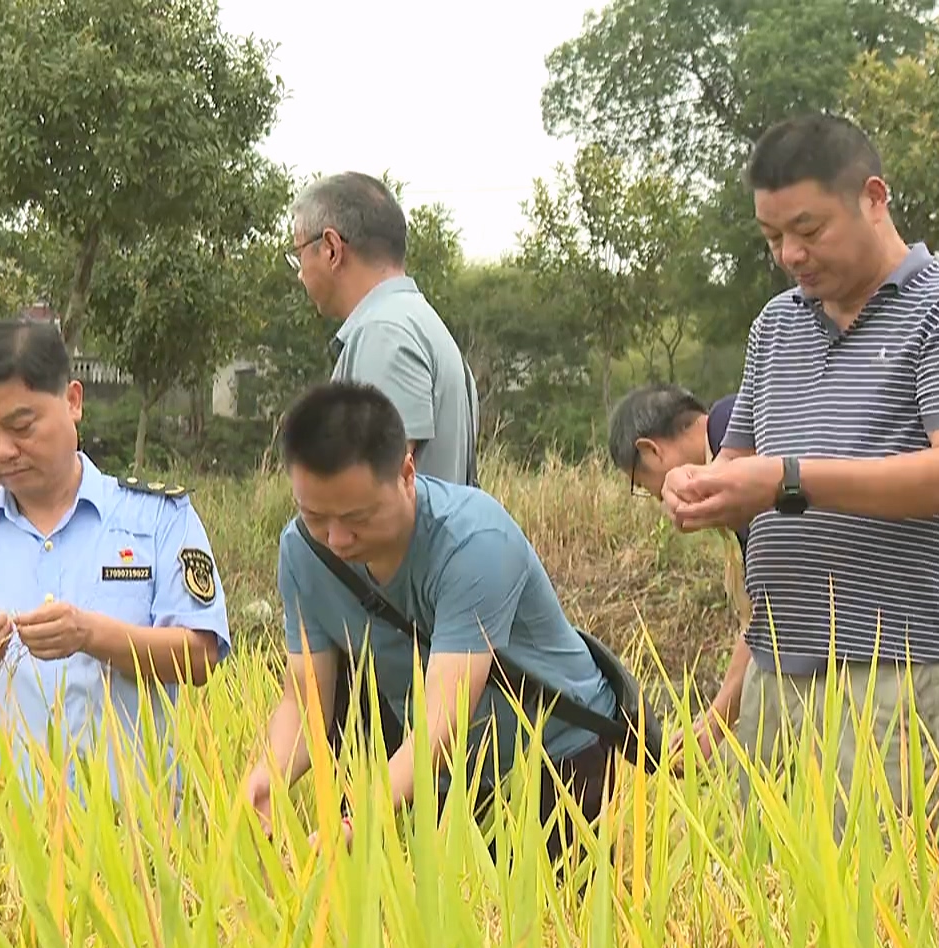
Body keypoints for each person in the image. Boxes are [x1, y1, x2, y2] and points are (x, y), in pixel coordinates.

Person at [659, 112, 939, 831]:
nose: (791, 253)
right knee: (764, 905)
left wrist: (787, 481)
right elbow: (742, 462)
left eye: (809, 229)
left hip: (893, 675)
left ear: (874, 198)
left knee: (891, 909)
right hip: (773, 666)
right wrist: (701, 485)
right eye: (772, 238)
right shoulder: (776, 326)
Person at [241, 381, 616, 862]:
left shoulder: (474, 541)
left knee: (552, 926)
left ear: (406, 473)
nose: (336, 538)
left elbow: (444, 715)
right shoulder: (301, 551)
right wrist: (266, 777)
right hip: (445, 775)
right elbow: (307, 697)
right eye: (314, 515)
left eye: (357, 517)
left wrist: (358, 818)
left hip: (557, 759)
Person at [0, 319, 232, 805]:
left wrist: (90, 634)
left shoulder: (157, 520)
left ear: (72, 401)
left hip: (133, 836)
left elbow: (201, 655)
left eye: (21, 427)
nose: (3, 451)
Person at [287, 171, 479, 487]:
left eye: (298, 255)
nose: (299, 275)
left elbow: (376, 498)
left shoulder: (384, 333)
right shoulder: (420, 322)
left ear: (331, 249)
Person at [608, 383, 751, 760]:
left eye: (644, 486)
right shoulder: (732, 425)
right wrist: (711, 722)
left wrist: (713, 727)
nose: (658, 498)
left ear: (650, 451)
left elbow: (776, 611)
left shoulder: (734, 437)